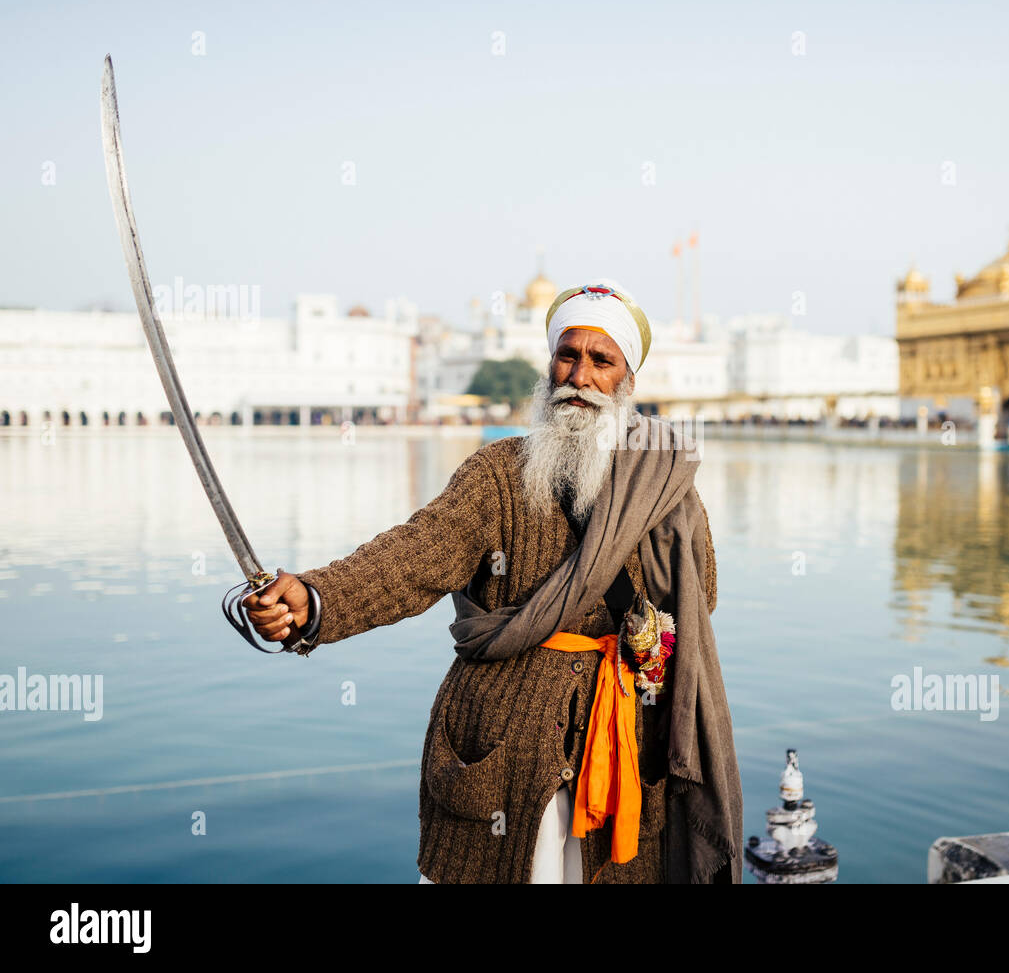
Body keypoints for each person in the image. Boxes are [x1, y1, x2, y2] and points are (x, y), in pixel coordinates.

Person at [242, 280, 743, 884]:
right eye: (567, 355)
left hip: (620, 751)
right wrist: (316, 599)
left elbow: (699, 599)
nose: (578, 376)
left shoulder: (664, 488)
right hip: (499, 755)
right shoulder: (496, 475)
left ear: (626, 382)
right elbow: (411, 559)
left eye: (600, 361)